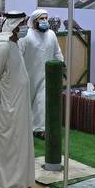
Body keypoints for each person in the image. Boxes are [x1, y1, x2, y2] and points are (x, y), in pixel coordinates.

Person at [0, 12, 35, 188]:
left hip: (18, 103)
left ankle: (18, 180)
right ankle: (2, 183)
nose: (25, 28)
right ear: (14, 25)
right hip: (6, 104)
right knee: (6, 142)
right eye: (22, 24)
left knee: (17, 141)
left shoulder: (15, 45)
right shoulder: (4, 46)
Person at [19, 9, 64, 139]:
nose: (44, 21)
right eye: (41, 19)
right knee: (27, 102)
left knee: (41, 101)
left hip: (47, 75)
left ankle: (40, 129)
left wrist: (62, 65)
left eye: (46, 18)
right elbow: (19, 54)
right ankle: (25, 126)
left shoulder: (51, 34)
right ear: (34, 21)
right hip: (29, 74)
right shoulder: (26, 35)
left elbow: (57, 52)